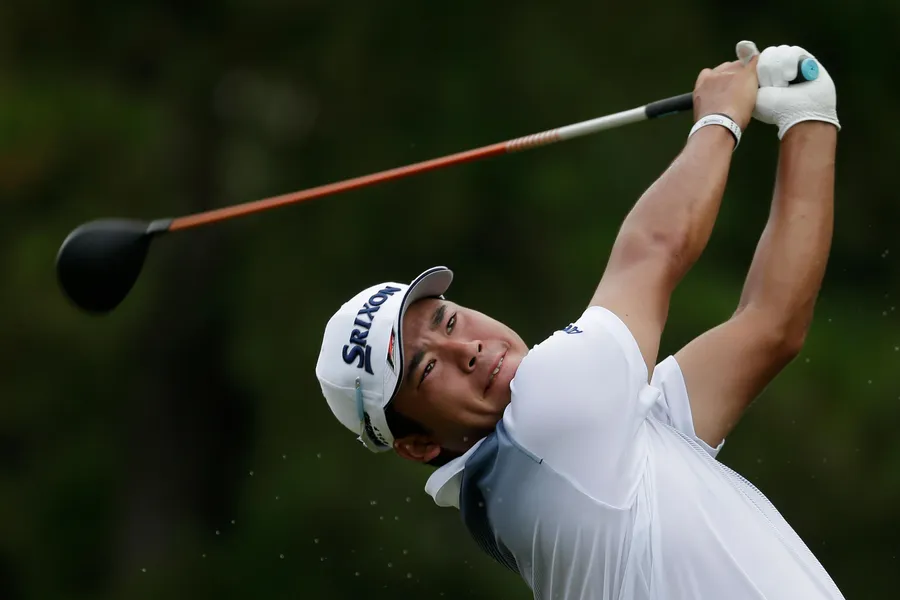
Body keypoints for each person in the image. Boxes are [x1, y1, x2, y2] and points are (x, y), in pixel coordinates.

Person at [315, 40, 843, 599]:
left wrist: (808, 120)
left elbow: (770, 326)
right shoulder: (545, 427)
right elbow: (653, 249)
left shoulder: (591, 448)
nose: (465, 350)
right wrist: (719, 117)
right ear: (419, 446)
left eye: (448, 321)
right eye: (426, 370)